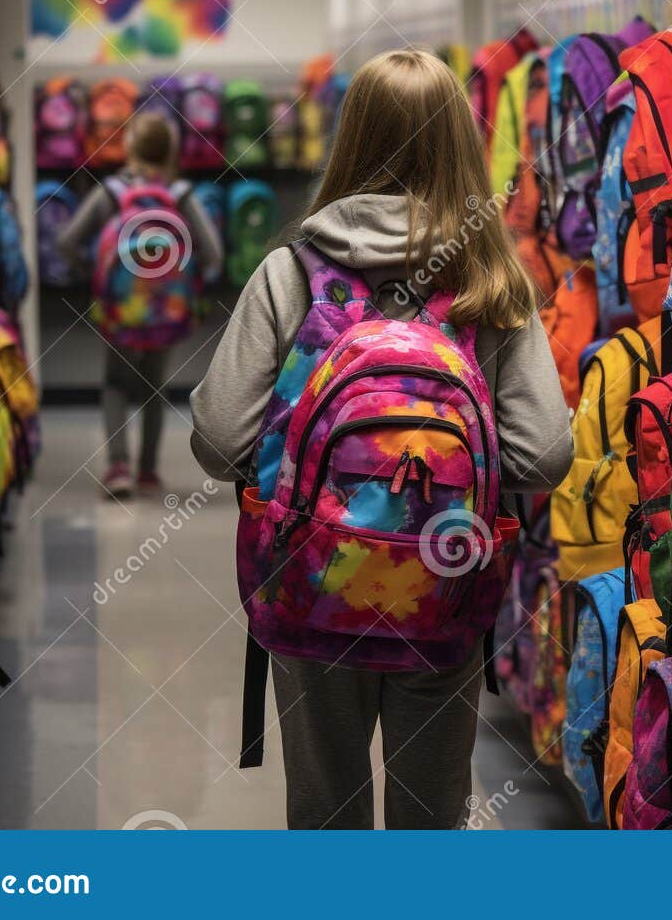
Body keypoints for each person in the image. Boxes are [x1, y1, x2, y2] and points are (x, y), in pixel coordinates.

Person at [190, 49, 572, 829]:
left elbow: (221, 440)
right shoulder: (491, 281)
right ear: (463, 146)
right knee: (430, 818)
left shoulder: (291, 273)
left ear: (351, 137)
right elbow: (542, 458)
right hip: (445, 588)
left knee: (327, 813)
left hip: (312, 583)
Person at [57, 111, 223, 499]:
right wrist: (188, 280)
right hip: (167, 310)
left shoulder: (112, 192)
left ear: (130, 147)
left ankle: (118, 468)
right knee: (154, 386)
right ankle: (148, 470)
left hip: (120, 309)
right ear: (169, 152)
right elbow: (213, 253)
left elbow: (67, 240)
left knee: (115, 382)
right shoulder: (181, 195)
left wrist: (93, 272)